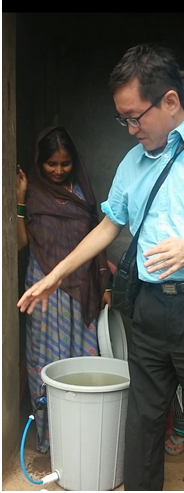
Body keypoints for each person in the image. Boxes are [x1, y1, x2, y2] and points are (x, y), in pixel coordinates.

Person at [17, 43, 184, 491]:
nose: (130, 128)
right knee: (143, 422)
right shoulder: (133, 163)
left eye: (136, 116)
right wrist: (54, 276)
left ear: (170, 101)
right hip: (150, 310)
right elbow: (108, 227)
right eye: (123, 118)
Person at [16, 126, 111, 453]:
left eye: (65, 163)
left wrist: (104, 283)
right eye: (51, 164)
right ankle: (52, 439)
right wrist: (19, 200)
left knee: (82, 359)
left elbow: (99, 237)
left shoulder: (82, 193)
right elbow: (19, 242)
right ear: (40, 162)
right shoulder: (34, 193)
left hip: (81, 288)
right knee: (46, 359)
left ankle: (83, 438)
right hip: (43, 290)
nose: (58, 170)